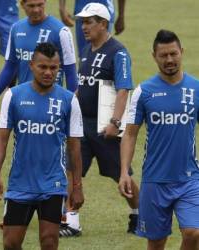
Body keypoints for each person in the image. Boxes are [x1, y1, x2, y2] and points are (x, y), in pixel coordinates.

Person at [0, 42, 84, 250]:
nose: (49, 72)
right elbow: (1, 138)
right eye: (43, 67)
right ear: (31, 65)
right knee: (11, 243)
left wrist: (77, 187)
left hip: (53, 184)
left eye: (54, 68)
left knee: (49, 241)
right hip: (20, 183)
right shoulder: (13, 96)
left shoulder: (69, 100)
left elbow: (74, 146)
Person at [59, 3, 139, 237]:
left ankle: (139, 214)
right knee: (73, 172)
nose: (83, 27)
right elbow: (82, 86)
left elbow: (124, 89)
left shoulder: (118, 52)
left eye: (88, 22)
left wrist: (115, 123)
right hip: (82, 125)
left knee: (122, 176)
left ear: (103, 24)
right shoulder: (87, 49)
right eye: (82, 22)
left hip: (105, 128)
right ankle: (71, 221)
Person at [119, 29, 199, 250]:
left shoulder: (196, 89)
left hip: (189, 179)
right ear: (154, 56)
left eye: (173, 54)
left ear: (181, 52)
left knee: (193, 233)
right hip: (154, 180)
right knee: (156, 242)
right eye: (163, 55)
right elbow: (130, 133)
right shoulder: (143, 91)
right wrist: (125, 171)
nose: (169, 60)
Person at [0, 0, 78, 117]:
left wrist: (73, 106)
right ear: (22, 5)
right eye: (31, 6)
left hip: (52, 103)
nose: (36, 10)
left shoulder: (61, 31)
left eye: (40, 5)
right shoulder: (16, 29)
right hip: (24, 102)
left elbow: (70, 72)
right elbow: (9, 68)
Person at [59, 0, 126, 58]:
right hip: (82, 8)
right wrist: (62, 8)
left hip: (104, 9)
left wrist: (121, 16)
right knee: (84, 55)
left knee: (102, 54)